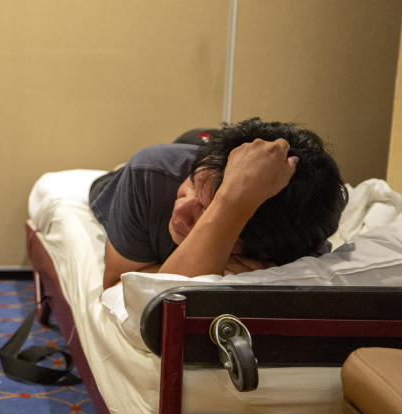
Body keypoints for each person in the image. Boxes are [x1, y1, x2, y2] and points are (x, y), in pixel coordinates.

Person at [90, 118, 348, 289]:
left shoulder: (296, 230)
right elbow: (117, 285)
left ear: (262, 252)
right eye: (191, 181)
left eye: (206, 209)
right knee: (196, 144)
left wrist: (229, 205)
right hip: (178, 156)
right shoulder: (149, 173)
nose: (180, 211)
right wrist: (218, 268)